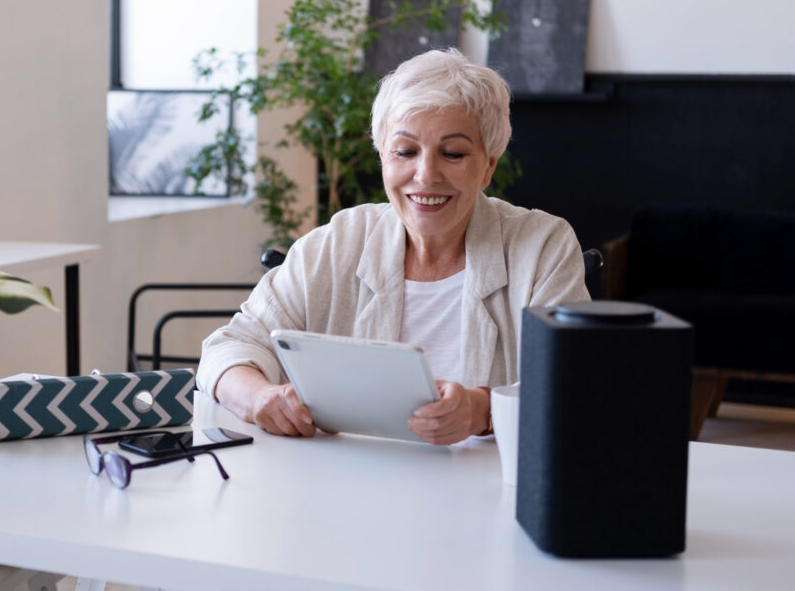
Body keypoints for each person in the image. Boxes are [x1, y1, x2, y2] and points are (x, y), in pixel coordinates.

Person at [196, 48, 590, 445]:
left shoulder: (542, 248)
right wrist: (261, 398)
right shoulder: (336, 243)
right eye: (405, 151)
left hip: (488, 491)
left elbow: (577, 381)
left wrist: (481, 410)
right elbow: (227, 350)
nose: (426, 174)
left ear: (489, 165)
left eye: (452, 153)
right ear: (382, 155)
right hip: (343, 484)